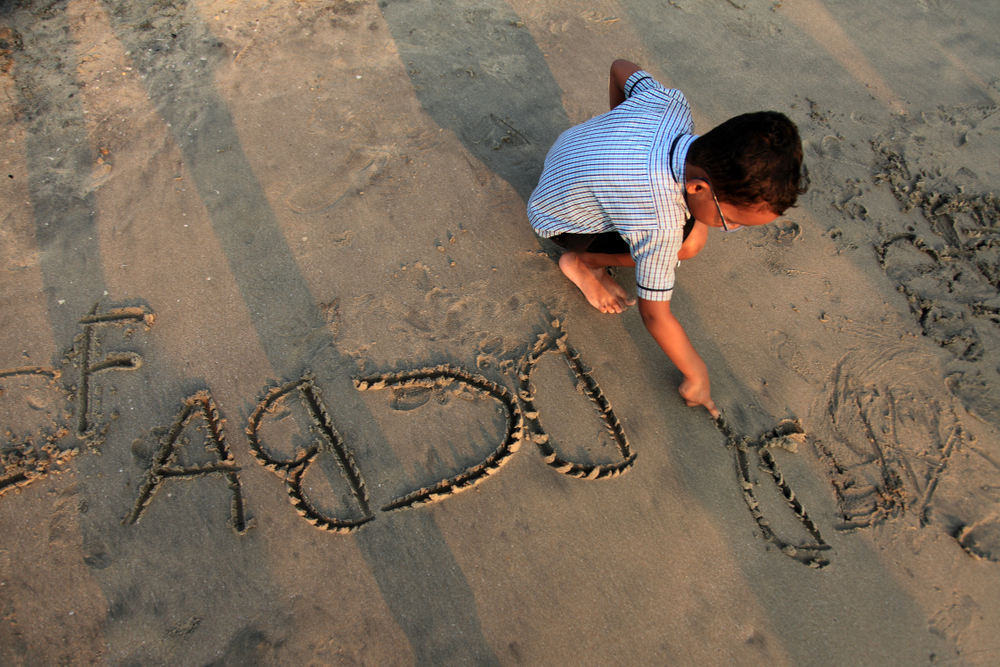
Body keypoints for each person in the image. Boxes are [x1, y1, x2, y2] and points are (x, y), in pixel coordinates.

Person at [527, 59, 807, 419]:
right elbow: (655, 315)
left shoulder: (672, 105)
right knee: (688, 244)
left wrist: (620, 123)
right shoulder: (659, 221)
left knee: (688, 228)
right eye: (730, 220)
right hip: (559, 218)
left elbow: (620, 68)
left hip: (568, 153)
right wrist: (696, 373)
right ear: (698, 187)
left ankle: (608, 197)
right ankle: (584, 265)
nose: (728, 229)